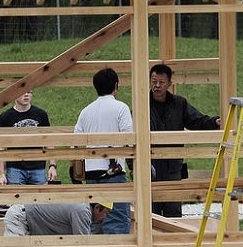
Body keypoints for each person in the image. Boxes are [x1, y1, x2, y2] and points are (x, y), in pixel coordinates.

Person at [148, 64, 220, 218]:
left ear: (169, 84)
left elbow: (197, 121)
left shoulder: (179, 104)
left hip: (173, 167)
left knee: (173, 213)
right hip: (150, 168)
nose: (157, 86)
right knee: (150, 213)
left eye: (161, 82)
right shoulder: (142, 104)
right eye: (154, 82)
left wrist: (214, 122)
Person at [74, 68, 133, 234]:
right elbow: (129, 139)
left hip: (92, 174)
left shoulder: (85, 112)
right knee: (117, 219)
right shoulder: (121, 108)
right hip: (113, 173)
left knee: (96, 221)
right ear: (116, 86)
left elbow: (75, 144)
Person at [0, 90, 57, 185]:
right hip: (15, 169)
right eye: (23, 92)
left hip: (38, 168)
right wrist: (1, 174)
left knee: (41, 198)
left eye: (29, 92)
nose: (26, 95)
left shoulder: (41, 115)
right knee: (15, 198)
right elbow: (1, 147)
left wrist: (52, 166)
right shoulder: (5, 117)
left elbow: (48, 142)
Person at [3, 202, 113, 236]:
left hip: (25, 221)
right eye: (105, 213)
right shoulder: (82, 211)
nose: (104, 218)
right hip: (19, 218)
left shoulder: (82, 209)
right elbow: (82, 246)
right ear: (97, 207)